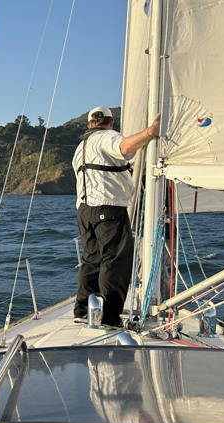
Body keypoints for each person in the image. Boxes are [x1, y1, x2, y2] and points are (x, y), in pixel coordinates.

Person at [72, 106, 161, 326]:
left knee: (92, 259)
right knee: (116, 260)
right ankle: (110, 317)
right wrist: (150, 132)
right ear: (111, 123)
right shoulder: (107, 137)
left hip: (85, 211)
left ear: (89, 124)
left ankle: (83, 310)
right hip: (108, 208)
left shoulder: (81, 146)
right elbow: (124, 147)